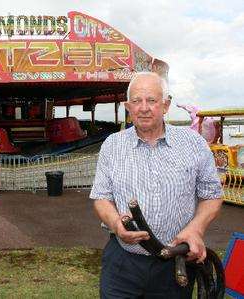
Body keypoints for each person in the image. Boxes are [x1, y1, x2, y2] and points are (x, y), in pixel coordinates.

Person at [90, 72, 223, 298]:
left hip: (174, 263)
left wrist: (196, 229)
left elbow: (212, 195)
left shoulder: (194, 144)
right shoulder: (112, 145)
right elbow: (101, 197)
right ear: (127, 106)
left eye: (151, 100)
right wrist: (115, 223)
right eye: (136, 101)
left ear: (166, 105)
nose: (144, 108)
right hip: (122, 262)